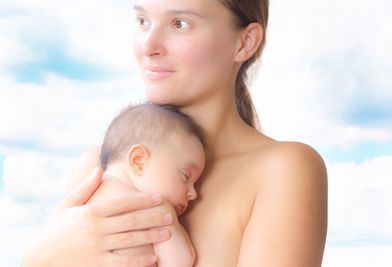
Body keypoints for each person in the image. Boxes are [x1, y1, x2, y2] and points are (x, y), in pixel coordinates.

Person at [23, 0, 328, 266]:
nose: (148, 46)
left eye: (179, 23)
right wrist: (38, 259)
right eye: (143, 21)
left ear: (245, 42)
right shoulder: (98, 167)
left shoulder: (282, 170)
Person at [90, 103, 205, 267]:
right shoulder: (154, 209)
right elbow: (181, 261)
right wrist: (172, 221)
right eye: (185, 176)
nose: (193, 193)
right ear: (139, 161)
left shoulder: (85, 197)